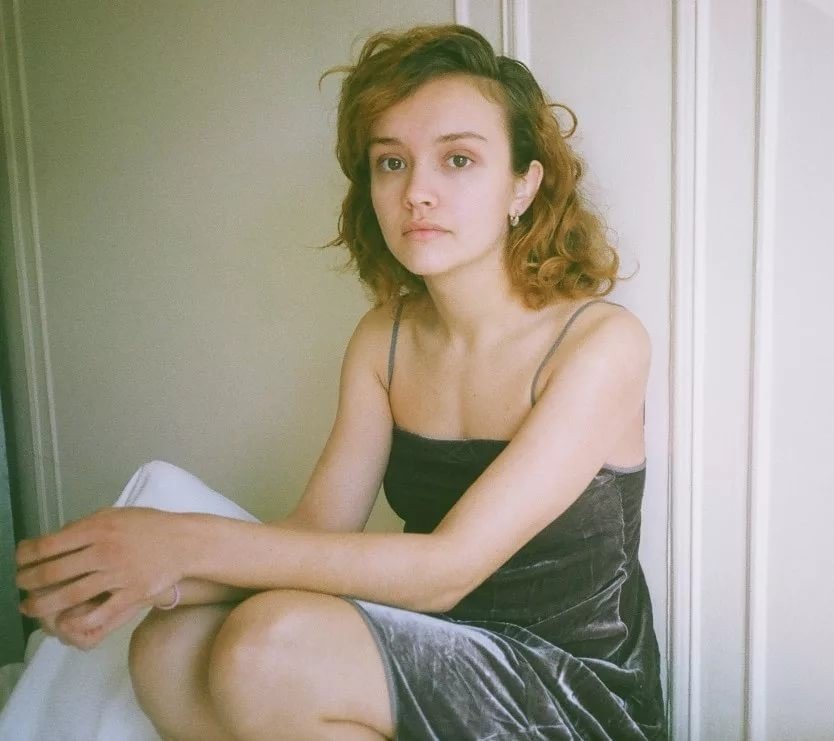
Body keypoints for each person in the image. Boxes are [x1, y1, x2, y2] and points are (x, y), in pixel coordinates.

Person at [13, 23, 665, 740]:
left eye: (457, 159)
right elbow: (315, 535)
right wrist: (142, 577)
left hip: (570, 688)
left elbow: (447, 569)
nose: (417, 192)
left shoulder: (601, 343)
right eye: (392, 162)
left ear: (523, 184)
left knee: (270, 645)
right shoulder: (384, 339)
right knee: (168, 647)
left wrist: (183, 543)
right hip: (432, 645)